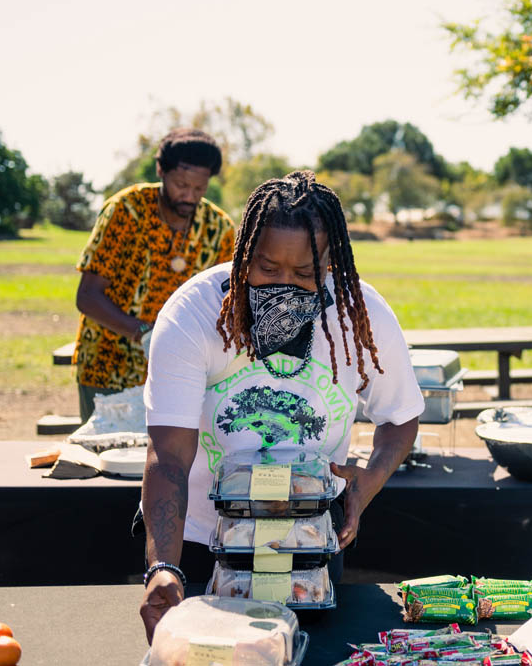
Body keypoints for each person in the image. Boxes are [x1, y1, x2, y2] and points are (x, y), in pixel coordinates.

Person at [138, 170, 423, 641]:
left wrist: (367, 483)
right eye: (267, 269)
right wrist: (163, 566)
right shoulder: (193, 313)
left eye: (305, 273)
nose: (283, 286)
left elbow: (400, 418)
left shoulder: (360, 312)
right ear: (242, 255)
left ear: (331, 264)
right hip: (199, 538)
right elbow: (168, 457)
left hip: (309, 541)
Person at [74, 128, 235, 422]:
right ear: (161, 170)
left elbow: (224, 301)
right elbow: (87, 296)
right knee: (104, 459)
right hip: (108, 368)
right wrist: (146, 334)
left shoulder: (218, 227)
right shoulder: (126, 211)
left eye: (199, 189)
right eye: (181, 184)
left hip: (181, 373)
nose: (189, 196)